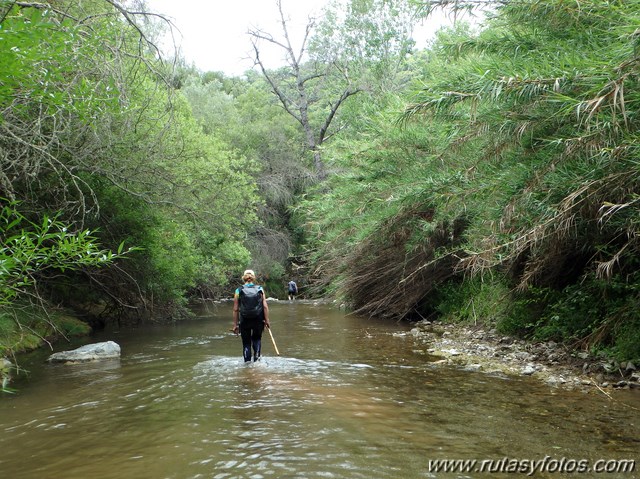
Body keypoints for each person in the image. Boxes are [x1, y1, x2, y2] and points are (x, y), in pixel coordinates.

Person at [232, 270, 270, 362]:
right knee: (257, 339)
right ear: (253, 277)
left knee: (246, 343)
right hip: (258, 319)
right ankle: (256, 361)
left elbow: (236, 309)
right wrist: (267, 320)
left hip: (244, 319)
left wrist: (235, 325)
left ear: (243, 277)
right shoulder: (260, 289)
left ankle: (247, 366)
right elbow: (264, 306)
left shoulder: (238, 290)